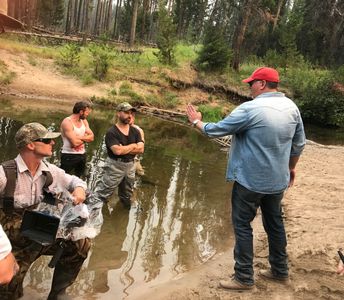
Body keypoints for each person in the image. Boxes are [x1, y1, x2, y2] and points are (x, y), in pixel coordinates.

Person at [186, 67, 306, 290]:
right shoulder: (292, 108)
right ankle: (280, 271)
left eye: (251, 83)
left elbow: (216, 130)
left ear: (261, 84)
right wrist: (290, 168)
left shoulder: (250, 109)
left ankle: (243, 277)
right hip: (277, 181)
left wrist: (196, 122)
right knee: (275, 224)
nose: (248, 87)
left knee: (242, 226)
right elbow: (299, 144)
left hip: (250, 181)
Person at [0, 122, 91, 300]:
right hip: (14, 244)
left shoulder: (49, 171)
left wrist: (79, 190)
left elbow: (75, 182)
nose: (53, 143)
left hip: (42, 235)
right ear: (31, 144)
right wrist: (2, 252)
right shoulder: (4, 174)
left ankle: (58, 294)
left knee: (80, 243)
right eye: (47, 140)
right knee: (8, 285)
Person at [94, 102, 144, 209]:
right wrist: (133, 146)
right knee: (103, 193)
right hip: (114, 166)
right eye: (126, 112)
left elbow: (141, 149)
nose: (129, 115)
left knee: (127, 195)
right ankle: (94, 216)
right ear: (118, 113)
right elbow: (117, 151)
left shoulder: (135, 131)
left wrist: (124, 148)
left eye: (131, 113)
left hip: (130, 166)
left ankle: (123, 218)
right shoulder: (111, 132)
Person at [60, 101, 94, 177]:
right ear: (81, 112)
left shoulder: (84, 121)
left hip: (82, 155)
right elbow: (74, 143)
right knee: (64, 179)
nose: (87, 115)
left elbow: (92, 137)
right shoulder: (67, 122)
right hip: (68, 156)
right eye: (87, 113)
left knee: (79, 179)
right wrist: (86, 138)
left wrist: (79, 137)